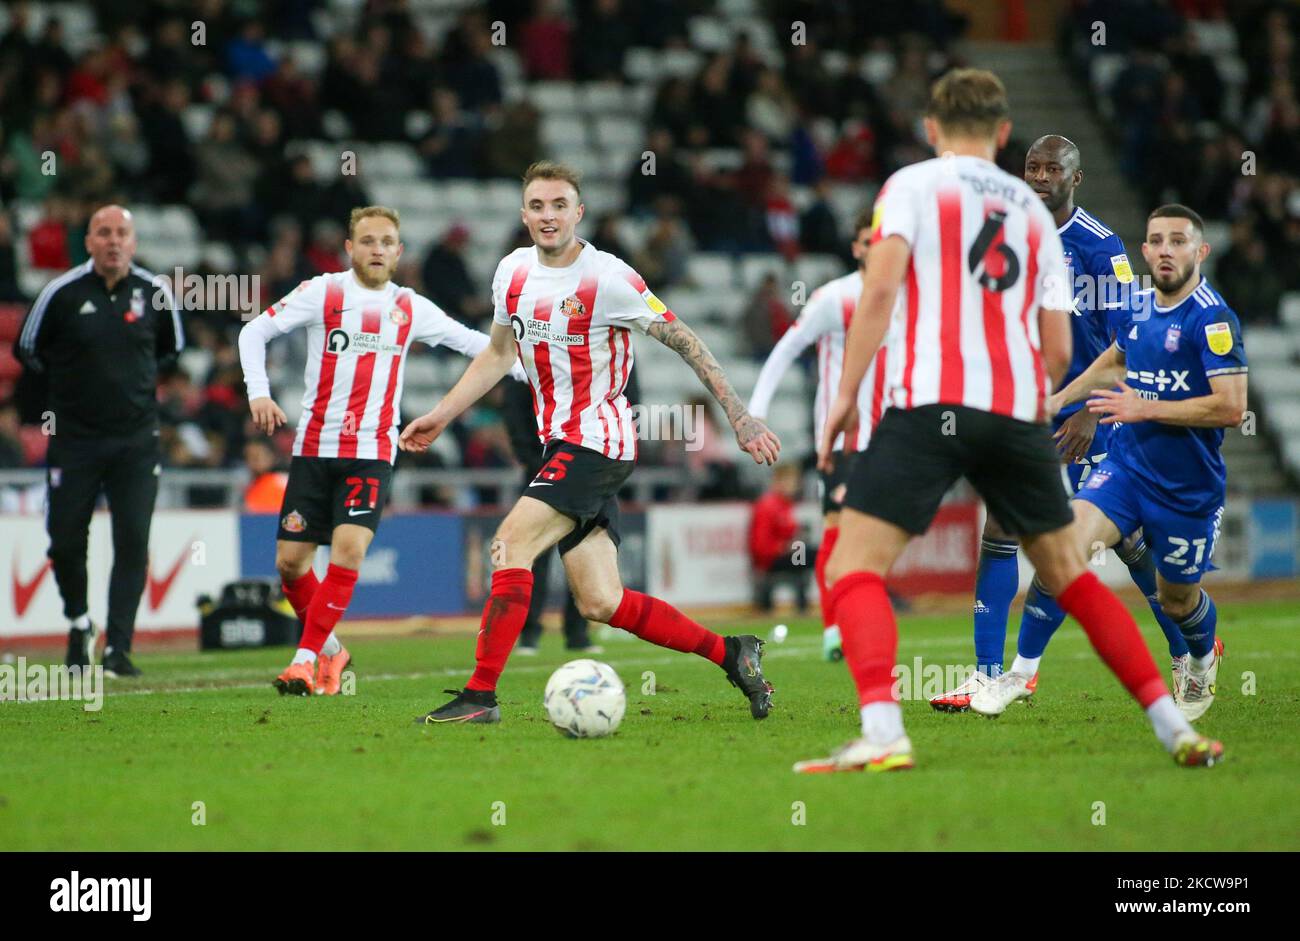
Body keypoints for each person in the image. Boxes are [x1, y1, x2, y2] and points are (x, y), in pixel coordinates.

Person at [795, 69, 1222, 773]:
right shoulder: (1027, 209)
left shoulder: (908, 186)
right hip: (1017, 407)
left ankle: (882, 731)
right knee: (1070, 572)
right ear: (1001, 135)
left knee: (852, 564)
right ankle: (1173, 725)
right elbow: (1058, 346)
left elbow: (877, 292)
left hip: (932, 402)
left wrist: (844, 396)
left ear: (931, 129)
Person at [400, 160, 782, 725]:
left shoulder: (609, 278)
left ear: (578, 212)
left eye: (559, 205)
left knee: (509, 545)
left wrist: (740, 416)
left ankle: (480, 696)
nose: (548, 216)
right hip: (562, 445)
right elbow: (500, 355)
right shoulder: (511, 272)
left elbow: (686, 340)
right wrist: (440, 414)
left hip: (599, 443)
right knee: (601, 602)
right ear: (523, 214)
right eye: (537, 206)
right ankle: (732, 652)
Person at [929, 135, 1195, 712]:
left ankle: (1188, 651)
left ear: (1076, 178)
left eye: (1053, 168)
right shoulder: (1005, 234)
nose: (1041, 175)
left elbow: (1132, 340)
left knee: (1127, 543)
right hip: (1029, 411)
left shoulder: (1100, 250)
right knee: (1001, 529)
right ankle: (989, 674)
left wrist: (1089, 415)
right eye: (1032, 166)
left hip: (1092, 414)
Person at [970, 205, 1243, 724]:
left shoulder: (1213, 319)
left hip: (1187, 485)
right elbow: (1112, 362)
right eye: (1156, 240)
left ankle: (1201, 658)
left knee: (1178, 597)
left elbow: (1231, 408)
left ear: (1200, 251)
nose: (1166, 250)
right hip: (1126, 468)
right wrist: (1056, 404)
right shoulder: (1140, 308)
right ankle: (1022, 671)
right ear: (1144, 251)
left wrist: (1148, 408)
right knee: (1062, 548)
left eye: (1178, 241)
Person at [238, 205, 521, 697]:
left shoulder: (410, 307)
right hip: (314, 450)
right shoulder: (323, 292)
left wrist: (531, 371)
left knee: (349, 550)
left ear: (399, 251)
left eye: (386, 242)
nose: (376, 249)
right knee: (290, 565)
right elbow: (253, 330)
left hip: (371, 450)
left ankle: (304, 660)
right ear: (349, 248)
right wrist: (258, 392)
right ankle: (331, 651)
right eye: (367, 241)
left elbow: (473, 343)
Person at [13, 204, 184, 677]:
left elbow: (171, 351)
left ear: (133, 242)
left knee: (132, 541)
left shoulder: (155, 293)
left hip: (136, 441)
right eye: (103, 233)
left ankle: (118, 649)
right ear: (87, 242)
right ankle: (78, 622)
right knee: (65, 541)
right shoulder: (61, 293)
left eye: (121, 233)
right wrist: (71, 387)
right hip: (75, 441)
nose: (113, 241)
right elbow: (26, 349)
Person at [748, 207, 891, 660]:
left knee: (873, 536)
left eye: (881, 241)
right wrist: (756, 410)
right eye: (866, 242)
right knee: (838, 527)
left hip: (891, 435)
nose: (874, 250)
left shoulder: (904, 295)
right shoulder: (836, 298)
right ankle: (834, 629)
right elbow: (788, 346)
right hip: (843, 438)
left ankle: (856, 617)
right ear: (855, 248)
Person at [500, 372, 596, 655]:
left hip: (585, 470)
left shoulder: (591, 354)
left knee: (582, 551)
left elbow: (629, 398)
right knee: (532, 555)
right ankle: (529, 632)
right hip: (539, 471)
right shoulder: (526, 361)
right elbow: (515, 416)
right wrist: (535, 463)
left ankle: (578, 632)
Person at [748, 463, 811, 613]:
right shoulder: (767, 506)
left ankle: (803, 601)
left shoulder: (785, 505)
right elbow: (760, 545)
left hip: (784, 555)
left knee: (807, 554)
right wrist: (783, 547)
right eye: (791, 481)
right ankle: (804, 603)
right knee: (811, 555)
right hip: (771, 559)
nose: (794, 486)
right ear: (778, 481)